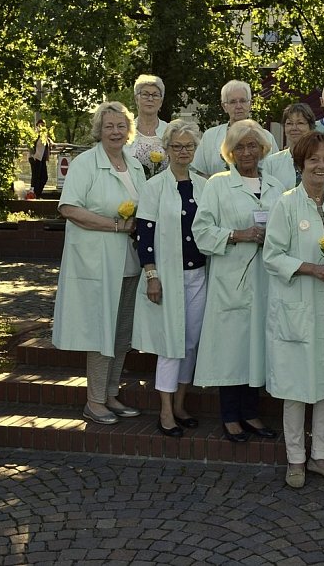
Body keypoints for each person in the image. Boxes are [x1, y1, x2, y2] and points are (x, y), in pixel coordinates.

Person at [263, 131, 324, 488]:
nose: (321, 165)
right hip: (299, 310)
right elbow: (272, 256)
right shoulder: (286, 204)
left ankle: (320, 457)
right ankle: (295, 460)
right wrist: (312, 268)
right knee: (296, 386)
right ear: (300, 164)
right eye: (314, 159)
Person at [52, 101, 146, 425]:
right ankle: (94, 401)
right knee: (101, 332)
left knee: (121, 334)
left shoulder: (135, 166)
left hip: (129, 261)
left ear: (128, 130)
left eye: (121, 126)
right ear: (99, 130)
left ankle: (110, 394)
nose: (115, 132)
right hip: (96, 263)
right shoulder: (85, 164)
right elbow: (68, 208)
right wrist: (115, 225)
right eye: (109, 126)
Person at [192, 119, 285, 442]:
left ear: (263, 149)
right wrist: (238, 235)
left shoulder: (275, 186)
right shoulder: (217, 185)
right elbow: (201, 232)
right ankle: (230, 415)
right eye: (240, 147)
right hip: (231, 279)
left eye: (253, 146)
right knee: (231, 349)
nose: (247, 152)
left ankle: (251, 412)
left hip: (266, 280)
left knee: (257, 347)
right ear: (230, 152)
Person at [131, 120, 206, 437]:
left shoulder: (204, 185)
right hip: (167, 276)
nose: (183, 151)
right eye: (177, 146)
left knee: (190, 343)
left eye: (189, 146)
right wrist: (151, 275)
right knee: (170, 343)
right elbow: (144, 236)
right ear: (167, 149)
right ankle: (164, 410)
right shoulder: (155, 187)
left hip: (199, 275)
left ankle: (179, 404)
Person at [191, 80, 279, 178]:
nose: (238, 106)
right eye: (233, 102)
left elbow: (276, 171)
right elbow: (198, 173)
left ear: (250, 104)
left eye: (243, 101)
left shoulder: (266, 137)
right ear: (224, 107)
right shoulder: (210, 137)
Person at [262, 103, 324, 193]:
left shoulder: (323, 162)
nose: (294, 128)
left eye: (300, 123)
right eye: (289, 123)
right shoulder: (271, 163)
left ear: (311, 127)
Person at [126, 75, 171, 177]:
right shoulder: (125, 131)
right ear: (136, 99)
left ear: (161, 102)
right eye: (145, 94)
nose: (150, 99)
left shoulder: (170, 131)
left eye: (155, 95)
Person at [28, 118, 54, 198]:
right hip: (35, 158)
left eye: (43, 125)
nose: (42, 127)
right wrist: (33, 155)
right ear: (37, 126)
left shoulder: (44, 135)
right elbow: (30, 145)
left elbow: (49, 142)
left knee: (44, 177)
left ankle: (37, 194)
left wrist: (51, 144)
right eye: (40, 125)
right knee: (36, 177)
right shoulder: (35, 134)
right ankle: (34, 195)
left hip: (42, 158)